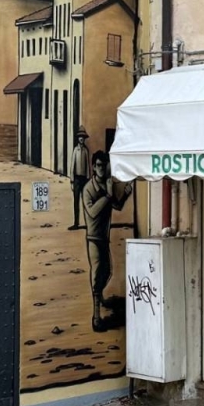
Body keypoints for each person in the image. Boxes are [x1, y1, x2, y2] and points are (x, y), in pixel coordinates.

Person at [83, 150, 132, 332]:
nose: (102, 169)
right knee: (97, 274)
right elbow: (92, 212)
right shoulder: (88, 189)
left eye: (104, 166)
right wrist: (108, 196)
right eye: (98, 166)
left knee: (108, 271)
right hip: (93, 238)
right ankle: (96, 316)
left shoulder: (106, 185)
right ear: (93, 167)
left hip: (104, 237)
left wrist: (125, 194)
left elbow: (116, 205)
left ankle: (100, 297)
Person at [69, 128, 91, 230]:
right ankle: (76, 223)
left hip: (84, 179)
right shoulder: (75, 150)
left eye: (83, 137)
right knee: (76, 201)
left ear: (84, 139)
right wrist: (72, 180)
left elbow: (88, 166)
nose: (81, 139)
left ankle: (88, 223)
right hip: (77, 179)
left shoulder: (86, 151)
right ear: (78, 138)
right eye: (80, 137)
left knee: (85, 201)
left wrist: (88, 178)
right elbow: (72, 166)